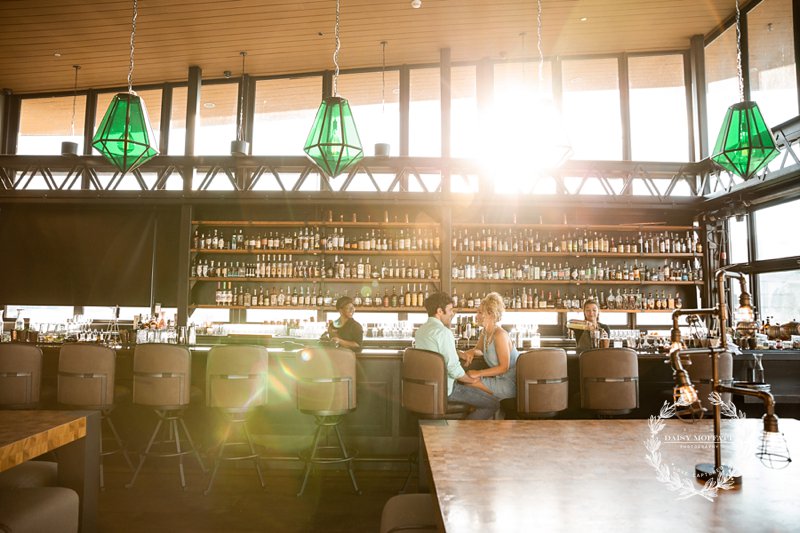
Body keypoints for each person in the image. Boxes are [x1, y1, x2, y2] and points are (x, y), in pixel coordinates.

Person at [414, 292, 500, 419]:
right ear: (439, 311)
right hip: (447, 390)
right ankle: (464, 431)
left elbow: (436, 353)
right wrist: (472, 380)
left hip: (426, 389)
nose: (452, 314)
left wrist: (458, 353)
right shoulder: (444, 332)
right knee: (493, 403)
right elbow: (454, 370)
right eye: (450, 310)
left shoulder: (421, 331)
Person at [461, 292, 519, 400]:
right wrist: (472, 351)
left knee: (469, 382)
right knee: (467, 380)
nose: (476, 316)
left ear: (491, 314)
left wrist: (478, 373)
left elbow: (504, 367)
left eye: (480, 312)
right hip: (498, 379)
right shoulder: (485, 333)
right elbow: (479, 350)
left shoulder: (500, 335)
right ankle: (487, 408)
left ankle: (489, 408)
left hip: (509, 383)